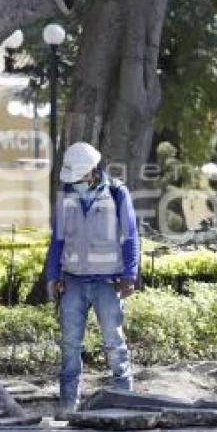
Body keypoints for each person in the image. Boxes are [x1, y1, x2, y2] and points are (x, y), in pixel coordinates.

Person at [45, 142, 140, 413]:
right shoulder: (66, 194)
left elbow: (130, 236)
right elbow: (58, 240)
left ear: (90, 172)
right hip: (73, 280)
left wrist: (129, 275)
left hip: (108, 282)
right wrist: (53, 275)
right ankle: (68, 403)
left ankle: (124, 398)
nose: (74, 182)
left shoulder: (117, 193)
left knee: (114, 341)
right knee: (70, 344)